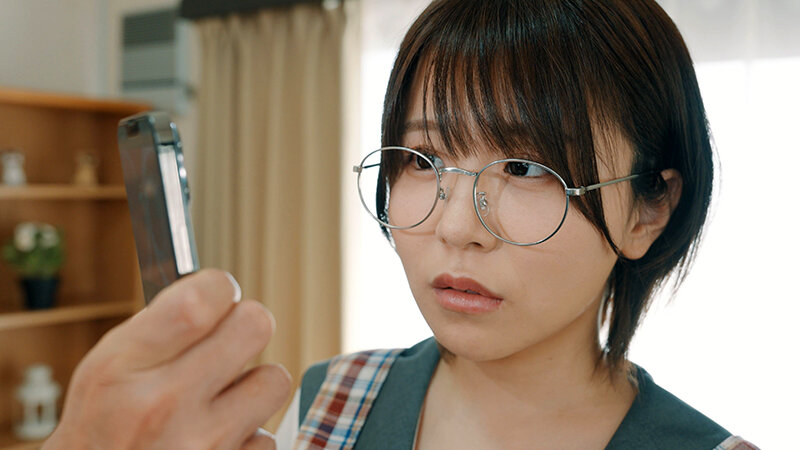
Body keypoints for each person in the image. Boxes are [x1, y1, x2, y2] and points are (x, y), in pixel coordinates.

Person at [44, 0, 756, 449]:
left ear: (649, 209)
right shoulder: (330, 402)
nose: (456, 226)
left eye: (525, 167)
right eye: (422, 160)